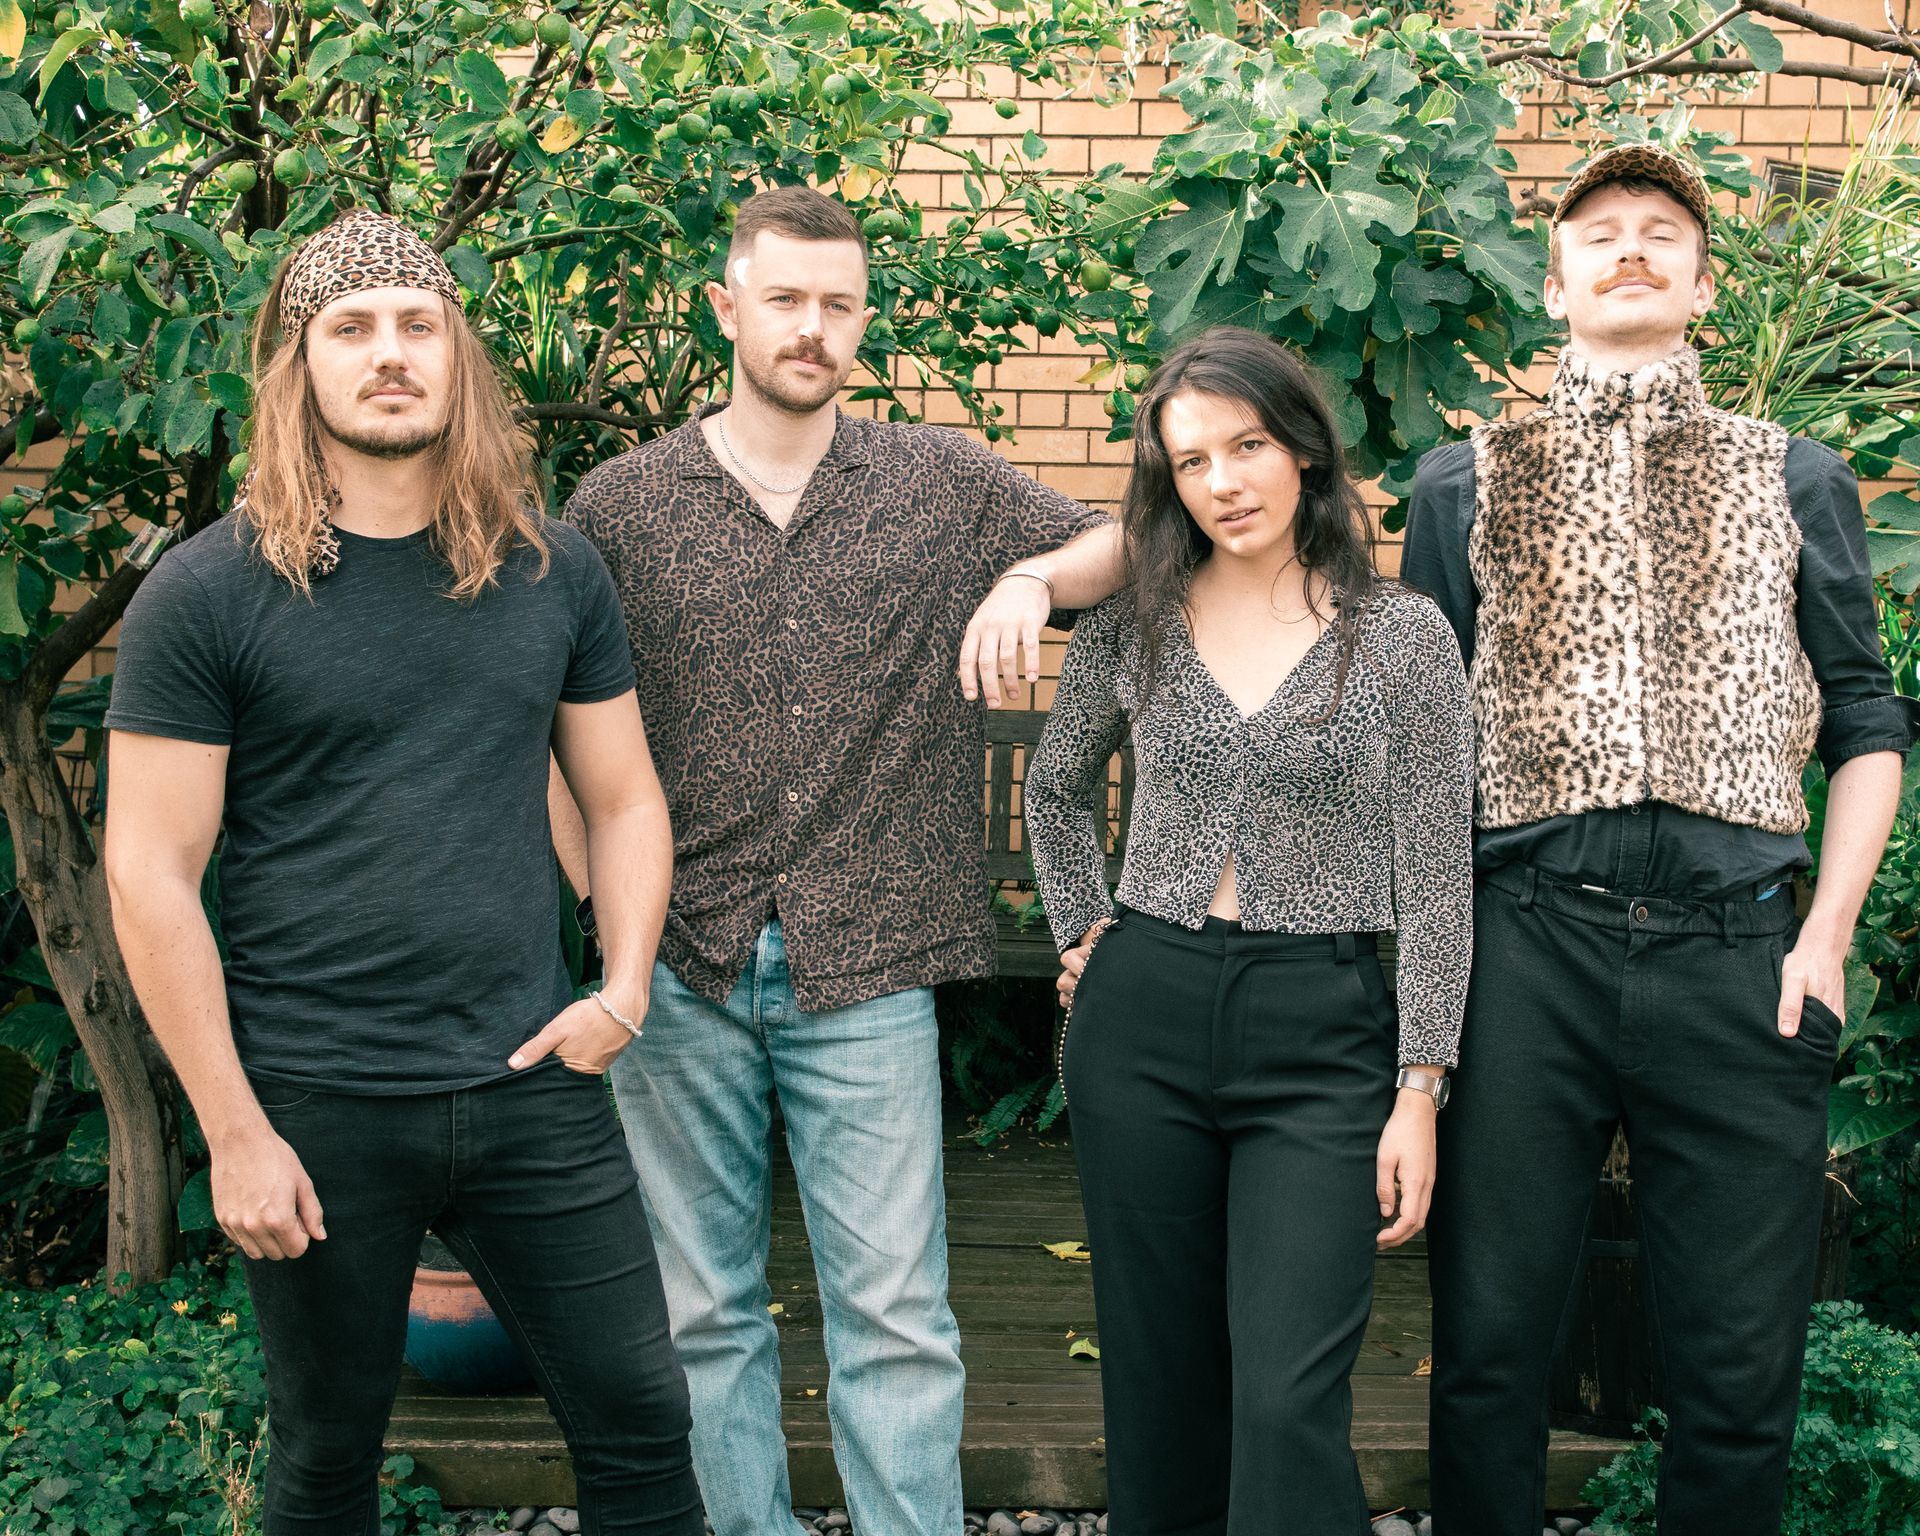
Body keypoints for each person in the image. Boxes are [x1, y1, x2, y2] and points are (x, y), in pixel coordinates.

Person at [102, 209, 702, 1536]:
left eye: (417, 324)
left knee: (645, 1423)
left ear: (460, 358)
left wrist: (626, 987)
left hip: (533, 1081)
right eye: (351, 327)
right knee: (325, 1455)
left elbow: (624, 796)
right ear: (298, 365)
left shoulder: (551, 572)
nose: (390, 353)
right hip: (319, 1103)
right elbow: (149, 869)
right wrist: (235, 1130)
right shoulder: (207, 596)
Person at [550, 184, 1125, 1536]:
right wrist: (608, 922)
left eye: (839, 305)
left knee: (897, 1317)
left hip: (869, 965)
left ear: (861, 322)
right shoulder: (621, 505)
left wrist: (1031, 581)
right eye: (787, 298)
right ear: (728, 305)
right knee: (698, 1313)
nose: (812, 328)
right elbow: (557, 731)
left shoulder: (942, 481)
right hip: (676, 967)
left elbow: (1127, 540)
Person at [1404, 144, 1920, 1535]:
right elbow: (1424, 758)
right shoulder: (1464, 484)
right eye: (1598, 235)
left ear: (1700, 284)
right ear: (1556, 285)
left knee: (1739, 1375)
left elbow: (1868, 723)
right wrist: (1429, 1005)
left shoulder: (1798, 476)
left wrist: (1826, 939)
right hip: (1528, 951)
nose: (1630, 250)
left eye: (1661, 235)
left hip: (1746, 956)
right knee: (1493, 1355)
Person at [1021, 325, 1475, 1535]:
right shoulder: (1132, 626)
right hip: (1145, 1016)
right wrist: (1084, 928)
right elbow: (1054, 792)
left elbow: (1438, 875)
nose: (1222, 481)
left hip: (1324, 1033)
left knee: (1284, 1401)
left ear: (1306, 454)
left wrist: (1420, 1086)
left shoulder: (1405, 638)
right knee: (1160, 1389)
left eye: (1247, 445)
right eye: (1189, 462)